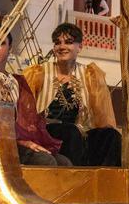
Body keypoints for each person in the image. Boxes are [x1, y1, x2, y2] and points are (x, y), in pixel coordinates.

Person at [0, 21, 71, 167]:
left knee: (64, 162)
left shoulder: (17, 82)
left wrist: (26, 140)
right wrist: (18, 141)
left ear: (10, 48)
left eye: (0, 43)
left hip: (15, 141)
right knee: (44, 161)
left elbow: (28, 121)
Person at [24, 23, 120, 167]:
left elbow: (103, 116)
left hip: (80, 132)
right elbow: (25, 112)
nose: (62, 47)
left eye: (68, 42)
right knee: (70, 131)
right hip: (46, 131)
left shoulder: (90, 74)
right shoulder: (39, 72)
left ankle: (103, 181)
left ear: (79, 47)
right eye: (57, 43)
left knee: (111, 136)